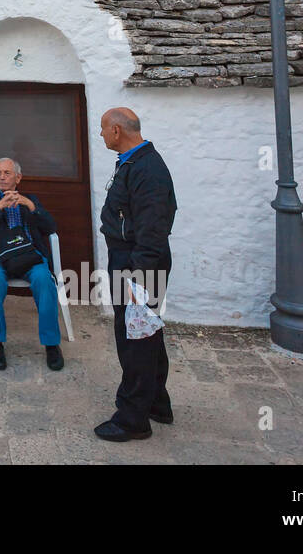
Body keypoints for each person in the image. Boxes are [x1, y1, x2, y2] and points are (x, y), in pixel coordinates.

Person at [93, 108, 178, 443]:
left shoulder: (147, 168)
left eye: (102, 129)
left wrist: (138, 278)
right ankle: (157, 402)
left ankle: (132, 419)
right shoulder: (131, 161)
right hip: (129, 259)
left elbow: (154, 226)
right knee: (146, 333)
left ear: (117, 130)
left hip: (138, 265)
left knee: (134, 341)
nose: (100, 135)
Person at [0, 157, 64, 372]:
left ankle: (51, 344)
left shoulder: (30, 199)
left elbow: (50, 227)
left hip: (29, 256)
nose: (2, 177)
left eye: (7, 173)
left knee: (44, 280)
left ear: (18, 177)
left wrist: (30, 205)